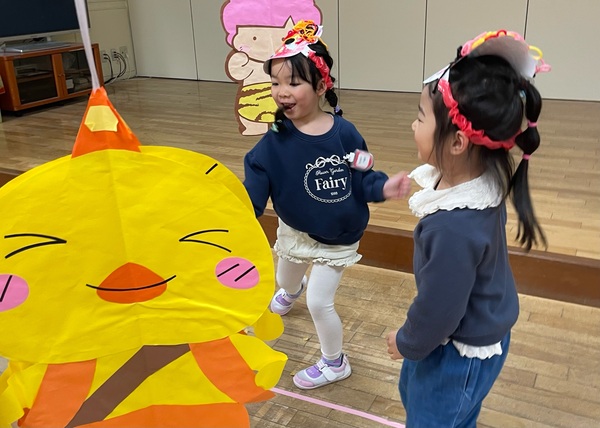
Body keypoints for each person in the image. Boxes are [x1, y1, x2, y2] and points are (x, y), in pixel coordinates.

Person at [385, 30, 551, 427]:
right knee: (442, 409)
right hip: (477, 333)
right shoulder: (482, 182)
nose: (412, 124)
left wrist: (406, 342)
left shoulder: (452, 228)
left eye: (420, 117)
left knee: (431, 417)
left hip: (458, 352)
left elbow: (440, 308)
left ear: (458, 142)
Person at [243, 20, 411, 390]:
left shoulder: (345, 133)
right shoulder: (275, 139)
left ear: (321, 86)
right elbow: (256, 172)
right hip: (296, 230)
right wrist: (242, 212)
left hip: (338, 236)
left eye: (293, 83)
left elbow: (364, 175)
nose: (282, 92)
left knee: (320, 303)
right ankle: (292, 290)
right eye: (275, 83)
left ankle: (335, 363)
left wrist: (384, 186)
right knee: (284, 281)